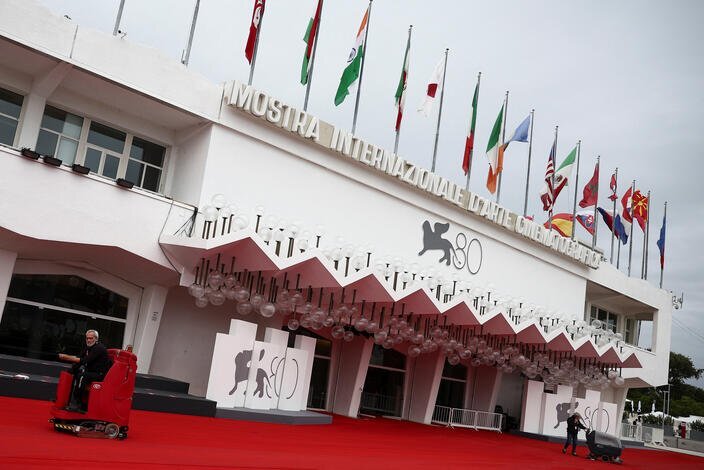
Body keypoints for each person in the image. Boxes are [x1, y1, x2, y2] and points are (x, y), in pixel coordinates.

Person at [58, 329, 112, 412]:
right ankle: (65, 400)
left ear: (96, 339)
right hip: (91, 372)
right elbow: (79, 358)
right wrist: (72, 370)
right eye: (87, 338)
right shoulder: (88, 347)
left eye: (91, 338)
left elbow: (85, 361)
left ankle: (77, 403)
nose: (88, 340)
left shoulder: (99, 348)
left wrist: (67, 357)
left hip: (100, 374)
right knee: (74, 372)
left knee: (82, 376)